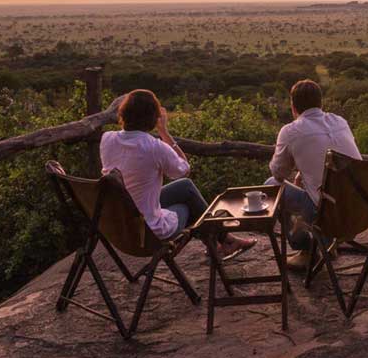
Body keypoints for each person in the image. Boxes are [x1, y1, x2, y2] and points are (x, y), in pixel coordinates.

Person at [99, 89, 253, 259]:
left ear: (124, 113)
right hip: (145, 233)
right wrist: (164, 132)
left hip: (120, 224)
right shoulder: (154, 147)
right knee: (188, 205)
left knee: (185, 188)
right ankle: (224, 242)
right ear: (153, 117)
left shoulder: (107, 139)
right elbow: (184, 169)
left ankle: (223, 242)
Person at [267, 79, 361, 269]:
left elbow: (278, 173)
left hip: (327, 216)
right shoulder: (340, 121)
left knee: (270, 185)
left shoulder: (291, 131)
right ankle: (326, 245)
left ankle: (306, 249)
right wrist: (306, 172)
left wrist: (298, 167)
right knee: (315, 192)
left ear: (293, 107)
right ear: (321, 103)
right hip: (359, 209)